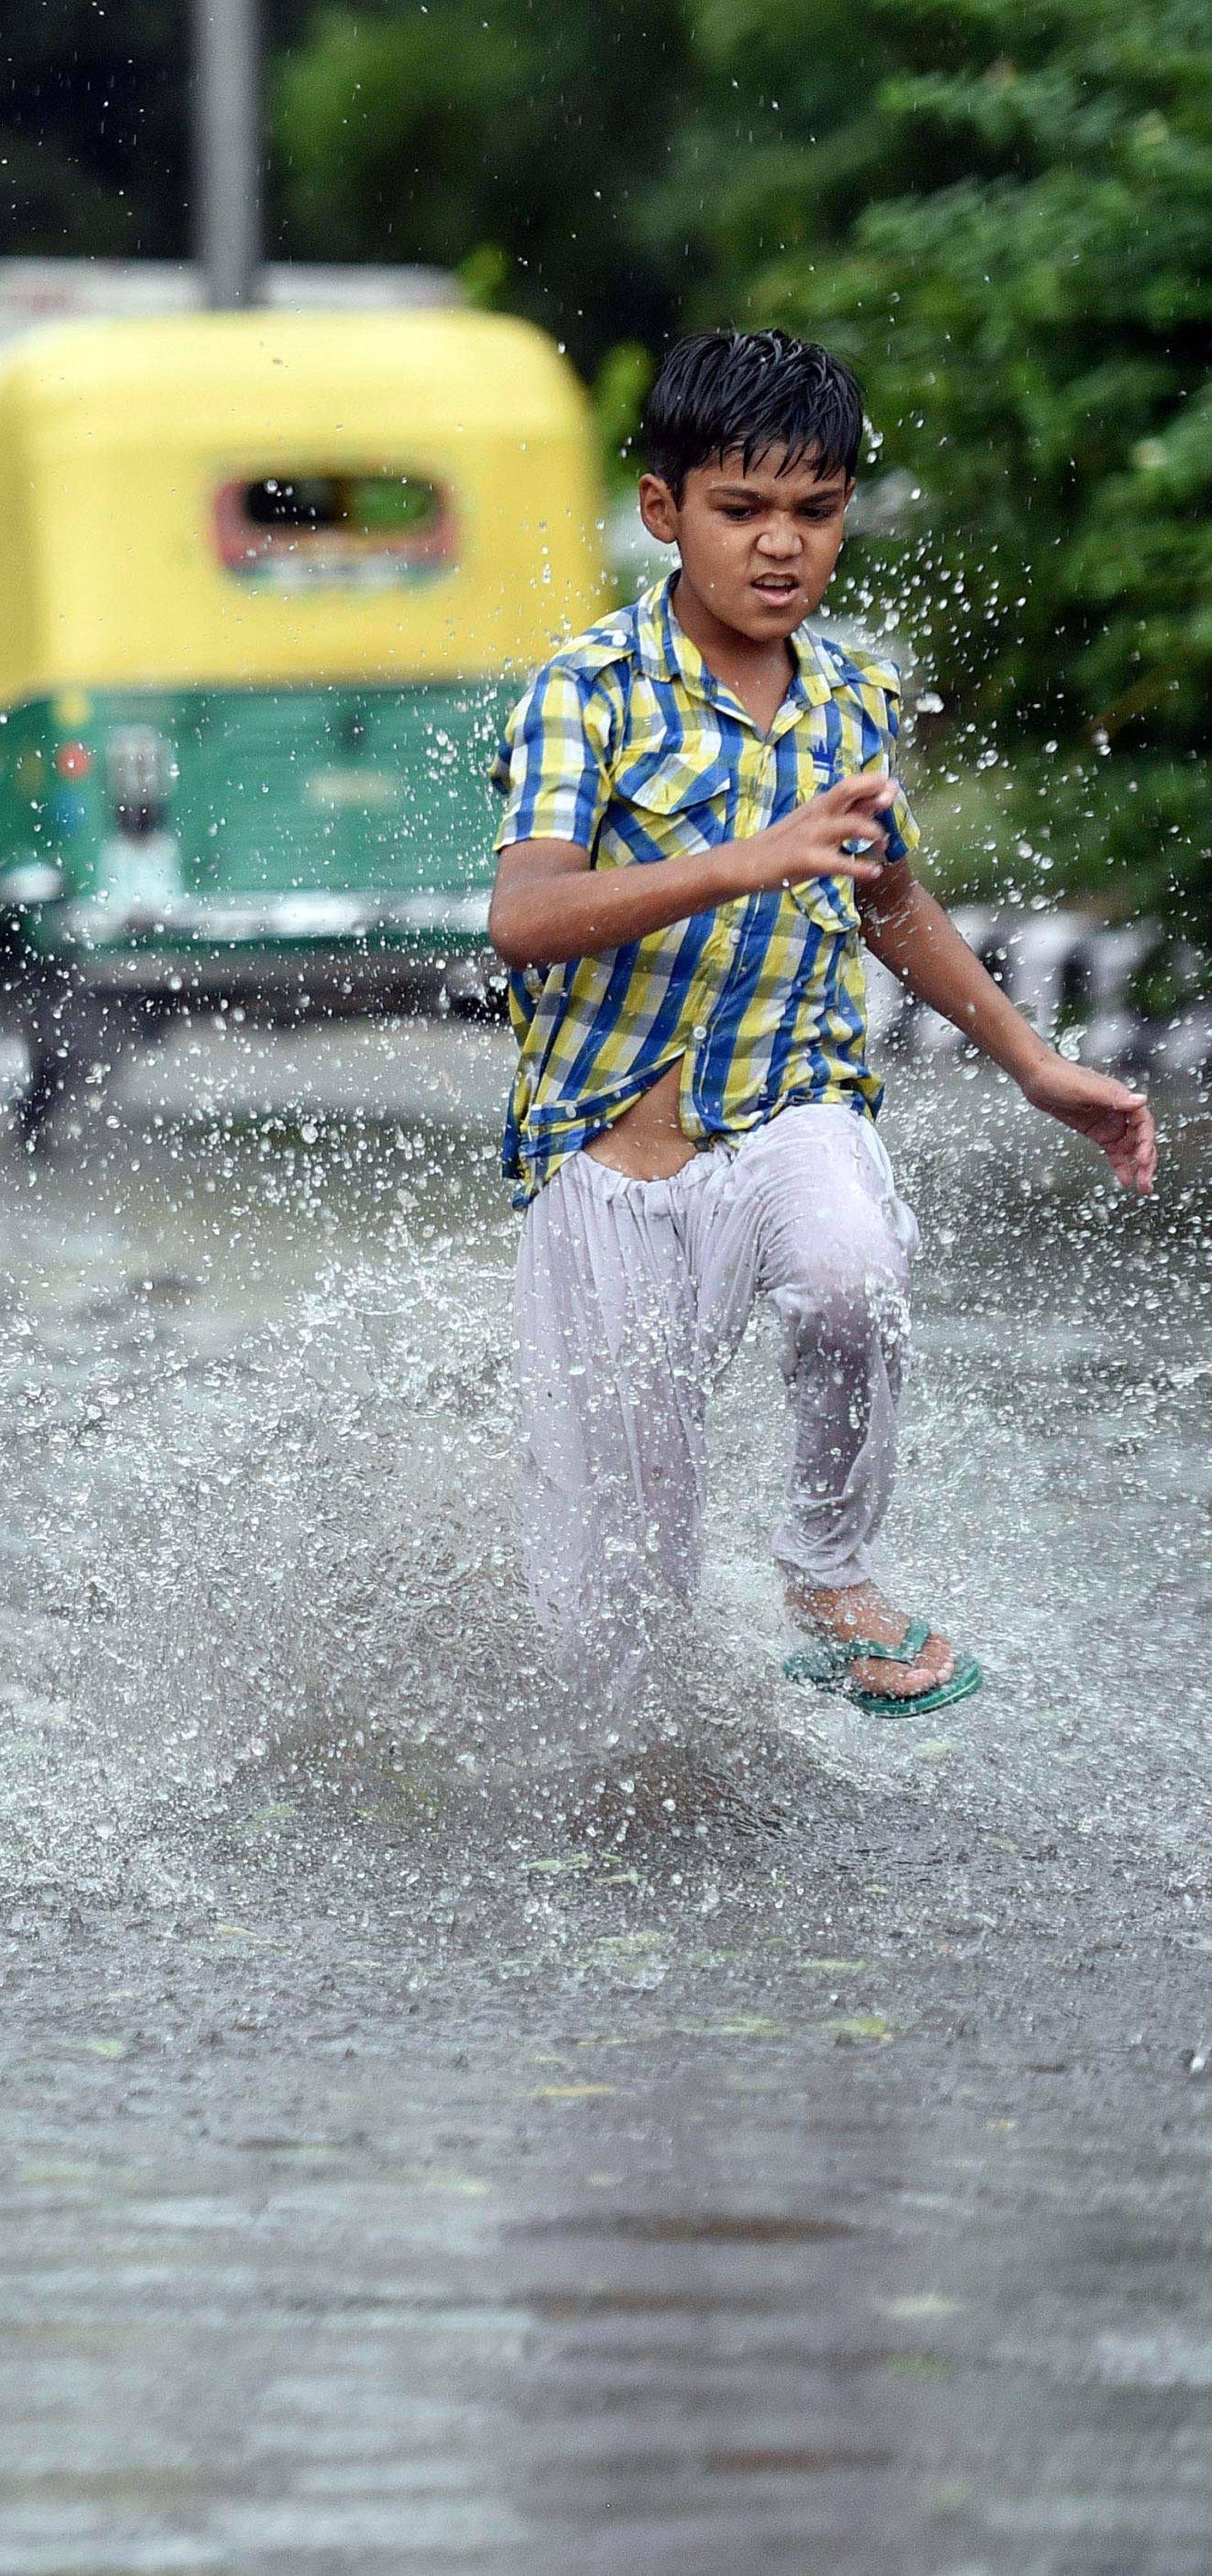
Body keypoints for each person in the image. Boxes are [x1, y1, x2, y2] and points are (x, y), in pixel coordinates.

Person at [486, 330, 1155, 1722]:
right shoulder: (585, 690)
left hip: (789, 1107)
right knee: (618, 1607)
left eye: (816, 509)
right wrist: (744, 857)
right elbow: (525, 916)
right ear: (664, 510)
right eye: (740, 509)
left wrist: (1034, 1064)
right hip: (608, 1158)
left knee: (853, 1276)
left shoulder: (851, 696)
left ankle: (826, 1569)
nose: (780, 544)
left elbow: (886, 899)